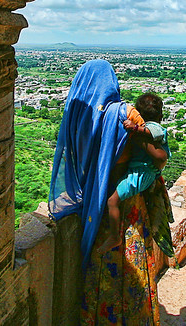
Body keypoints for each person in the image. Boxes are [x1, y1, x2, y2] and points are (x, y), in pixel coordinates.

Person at [48, 60, 172, 326]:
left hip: (98, 198)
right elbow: (160, 158)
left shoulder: (84, 115)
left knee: (103, 266)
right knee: (133, 261)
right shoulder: (125, 114)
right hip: (131, 204)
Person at [99, 93, 170, 253]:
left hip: (140, 173)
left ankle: (114, 236)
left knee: (112, 201)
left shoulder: (147, 131)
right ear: (161, 115)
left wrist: (136, 129)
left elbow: (160, 154)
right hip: (142, 172)